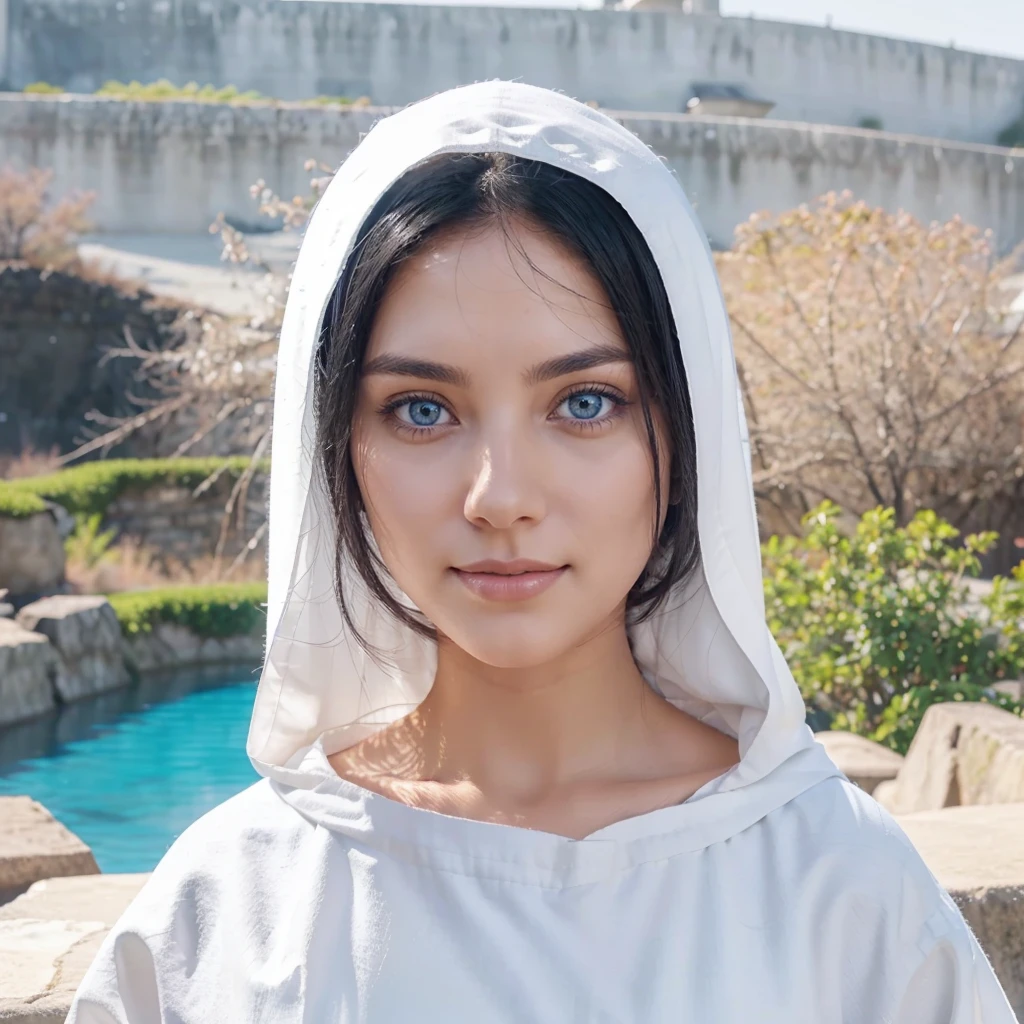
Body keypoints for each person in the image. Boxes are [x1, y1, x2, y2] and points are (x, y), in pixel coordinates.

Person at [66, 81, 1018, 1023]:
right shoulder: (226, 915)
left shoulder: (836, 889)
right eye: (422, 411)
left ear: (686, 441)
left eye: (585, 402)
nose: (501, 497)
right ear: (337, 455)